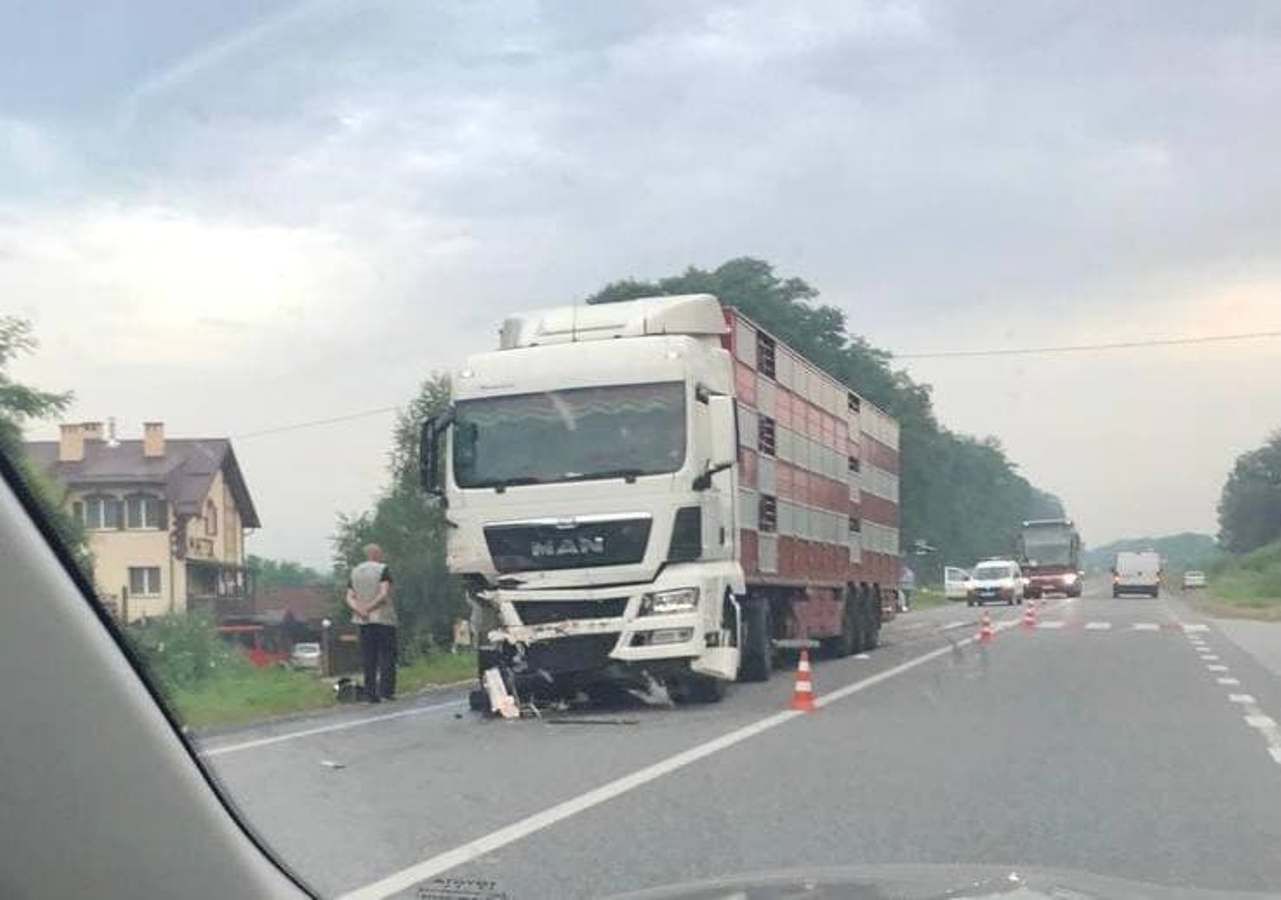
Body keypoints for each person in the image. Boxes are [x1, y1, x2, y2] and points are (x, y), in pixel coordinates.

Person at [346, 544, 397, 703]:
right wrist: (370, 608)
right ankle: (386, 691)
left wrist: (360, 610)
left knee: (368, 657)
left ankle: (370, 693)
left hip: (362, 620)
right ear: (377, 553)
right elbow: (383, 594)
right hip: (383, 618)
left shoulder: (355, 572)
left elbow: (349, 597)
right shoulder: (383, 569)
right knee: (387, 655)